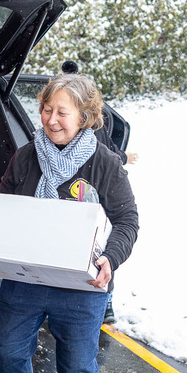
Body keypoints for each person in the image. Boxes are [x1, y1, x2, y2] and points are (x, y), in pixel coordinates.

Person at [0, 71, 138, 373]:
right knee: (7, 350)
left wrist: (110, 260)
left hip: (81, 290)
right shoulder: (27, 156)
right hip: (26, 282)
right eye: (46, 109)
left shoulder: (104, 165)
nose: (51, 119)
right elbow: (7, 208)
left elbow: (127, 221)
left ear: (85, 115)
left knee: (78, 371)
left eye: (61, 112)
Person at [59, 60, 137, 324]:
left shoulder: (91, 130)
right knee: (98, 246)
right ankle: (107, 303)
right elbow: (112, 151)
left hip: (89, 195)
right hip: (90, 197)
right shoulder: (95, 123)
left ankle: (105, 301)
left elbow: (108, 154)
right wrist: (123, 156)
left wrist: (120, 158)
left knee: (100, 247)